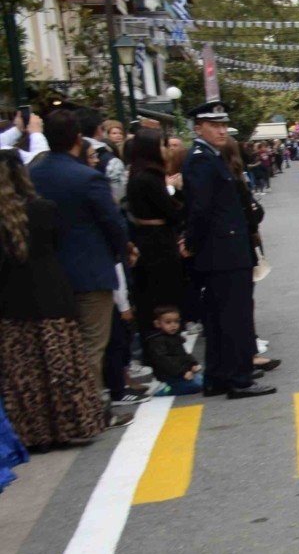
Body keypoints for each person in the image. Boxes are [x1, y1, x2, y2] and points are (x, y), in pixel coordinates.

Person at [0, 154, 107, 446]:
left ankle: (34, 433)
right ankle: (72, 426)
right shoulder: (44, 209)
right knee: (61, 367)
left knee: (24, 372)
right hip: (52, 294)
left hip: (13, 302)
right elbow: (57, 244)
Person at [25, 107, 126, 392]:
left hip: (48, 273)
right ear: (78, 139)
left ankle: (67, 409)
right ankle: (92, 409)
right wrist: (122, 252)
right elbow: (112, 222)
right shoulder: (87, 177)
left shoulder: (33, 173)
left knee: (62, 347)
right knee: (93, 344)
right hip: (91, 270)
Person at [180, 102, 273, 398]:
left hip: (224, 249)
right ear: (198, 128)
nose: (222, 130)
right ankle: (238, 378)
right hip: (222, 252)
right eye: (214, 125)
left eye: (223, 125)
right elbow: (200, 209)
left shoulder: (209, 156)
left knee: (221, 317)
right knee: (234, 317)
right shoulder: (200, 160)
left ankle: (219, 375)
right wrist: (192, 244)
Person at [125, 125, 188, 332]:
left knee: (152, 294)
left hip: (148, 239)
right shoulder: (149, 177)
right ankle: (163, 343)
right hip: (158, 243)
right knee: (163, 294)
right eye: (162, 145)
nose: (165, 149)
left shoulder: (138, 174)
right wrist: (177, 192)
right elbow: (172, 212)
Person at [143, 305, 204, 395]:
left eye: (176, 321)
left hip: (180, 373)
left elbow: (183, 354)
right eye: (168, 322)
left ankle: (174, 385)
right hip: (169, 376)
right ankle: (164, 390)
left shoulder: (174, 336)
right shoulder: (157, 341)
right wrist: (183, 372)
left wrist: (193, 364)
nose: (173, 325)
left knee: (203, 380)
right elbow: (165, 361)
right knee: (197, 385)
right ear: (157, 324)